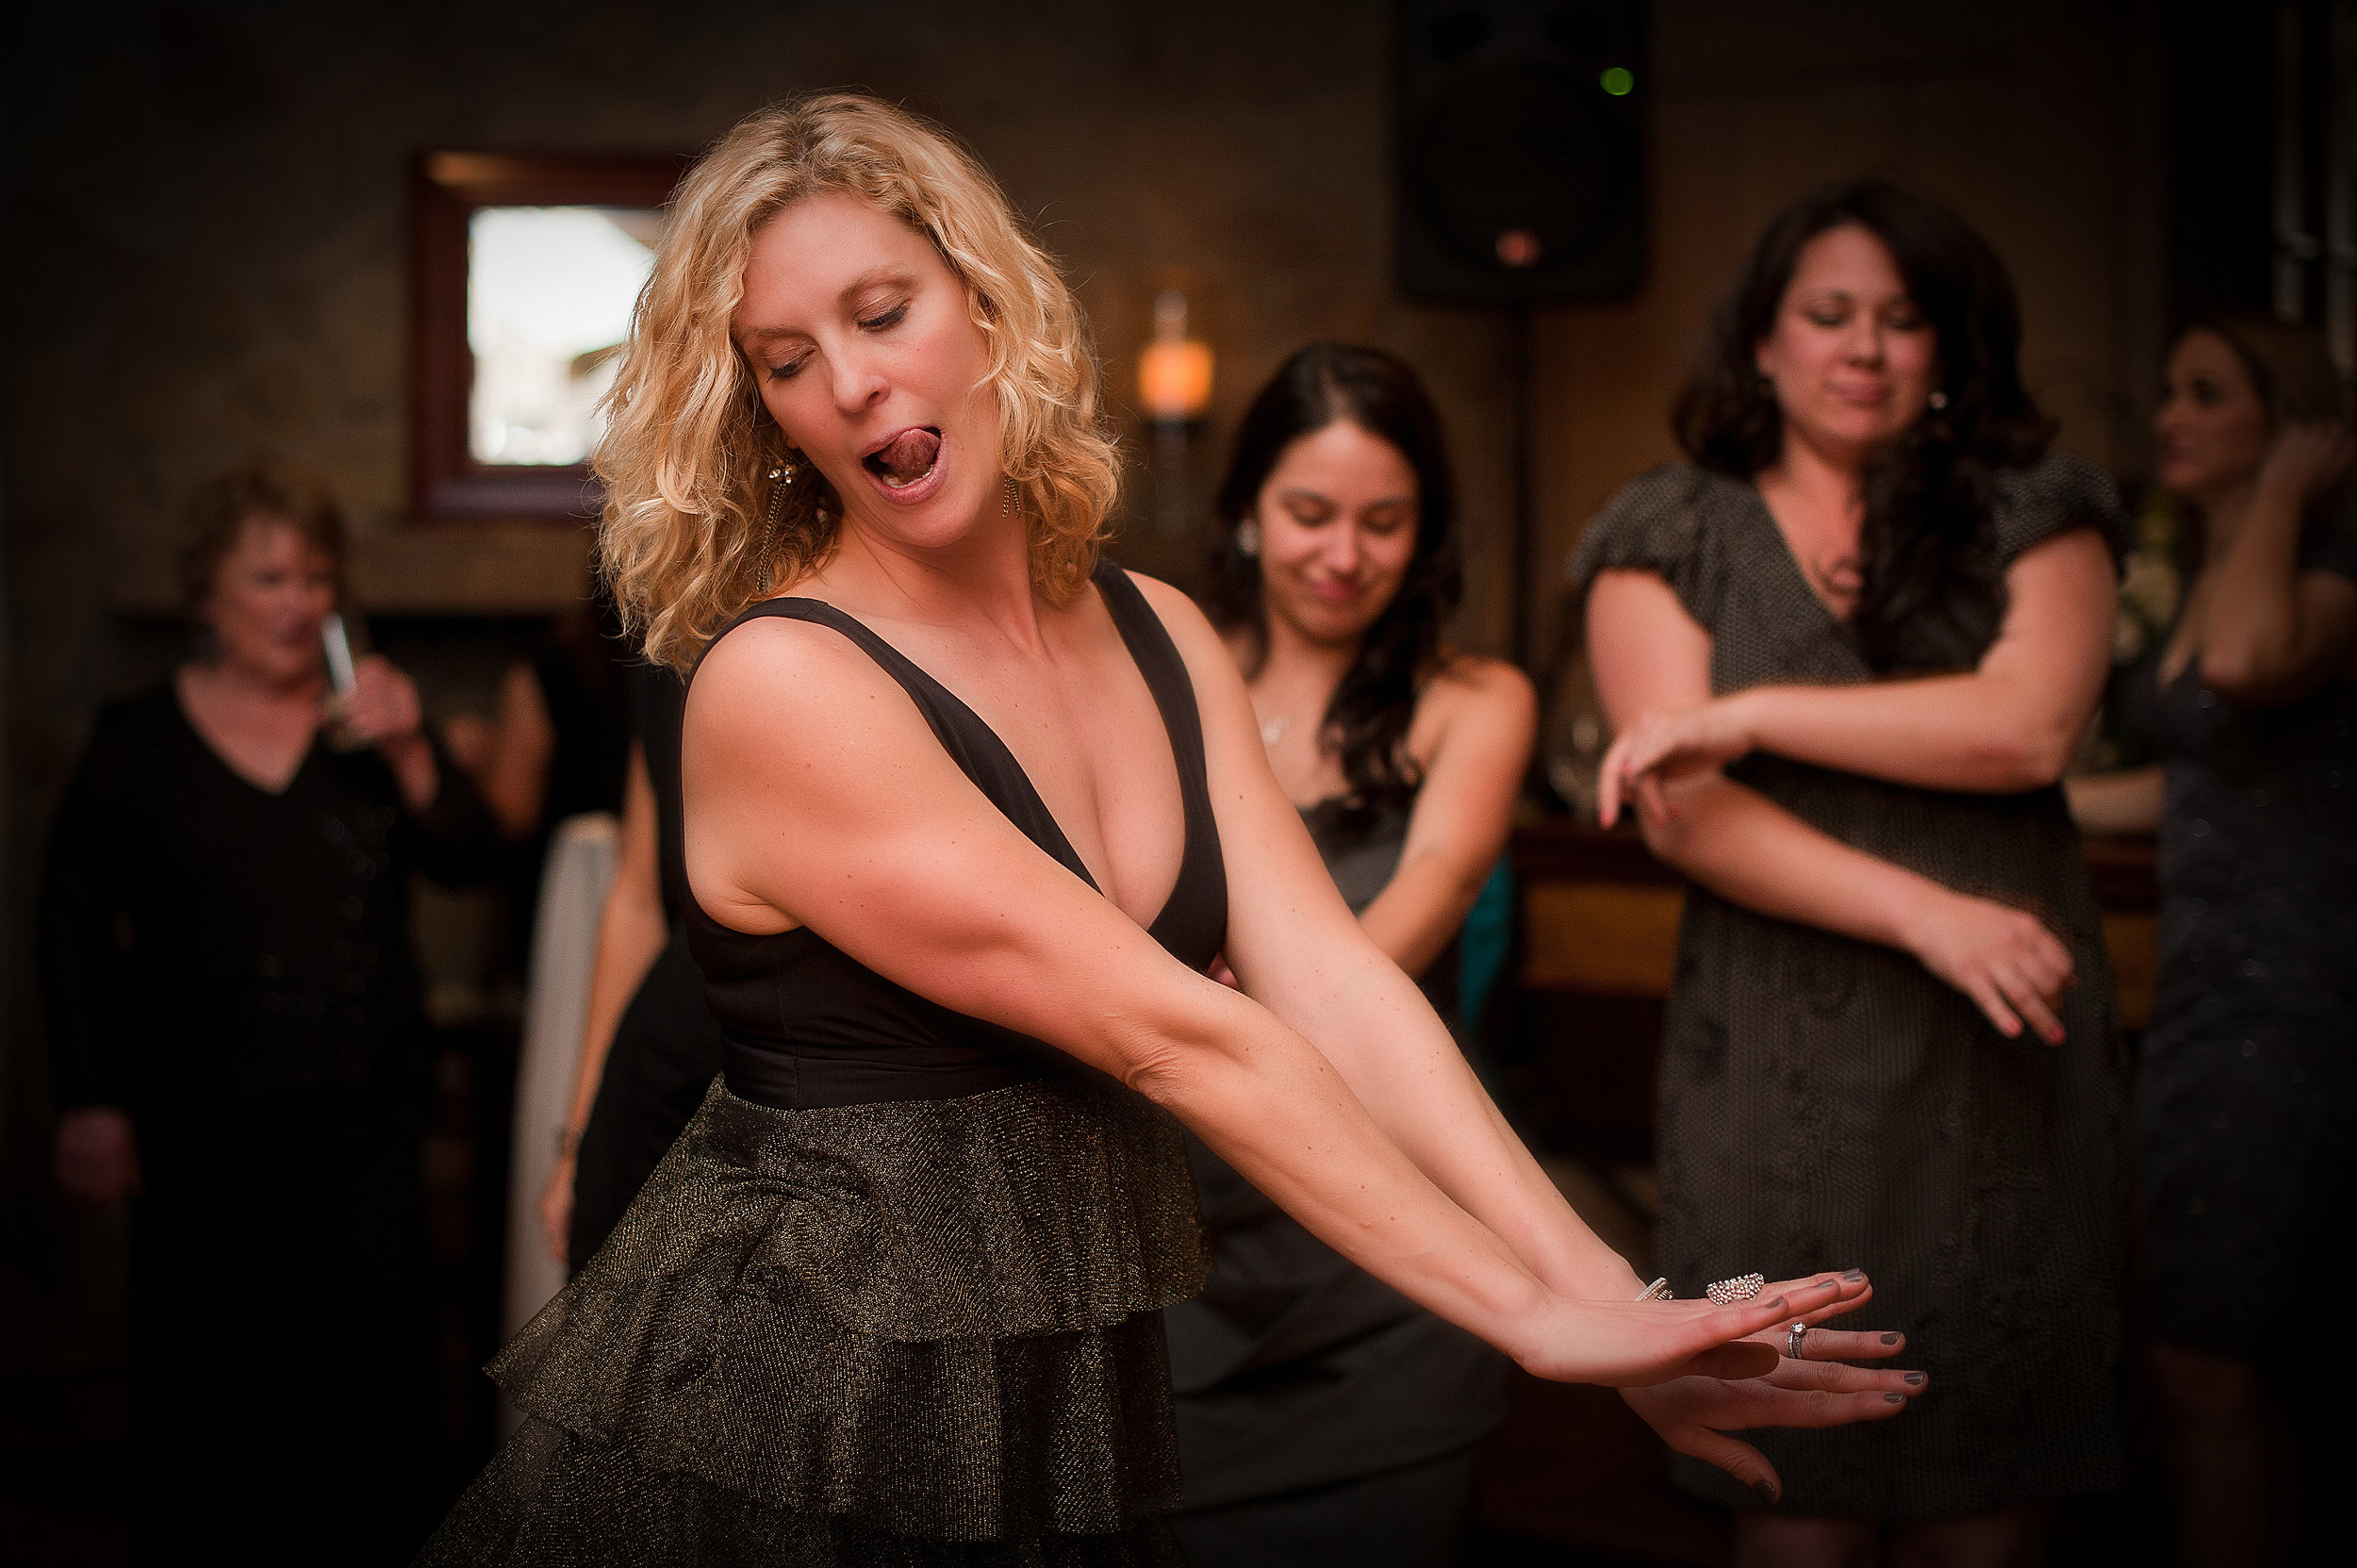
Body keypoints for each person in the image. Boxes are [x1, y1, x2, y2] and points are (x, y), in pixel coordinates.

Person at [419, 95, 1920, 1565]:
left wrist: (1614, 1293)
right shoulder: (781, 682)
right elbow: (1180, 1035)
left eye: (885, 313)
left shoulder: (1161, 631)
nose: (856, 385)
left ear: (990, 305)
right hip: (814, 1388)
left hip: (1066, 1365)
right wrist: (1536, 1319)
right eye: (791, 360)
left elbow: (1328, 980)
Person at [1574, 180, 2132, 1565]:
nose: (1865, 348)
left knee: (1989, 1475)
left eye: (1902, 319)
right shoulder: (1668, 527)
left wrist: (1753, 711)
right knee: (1793, 1493)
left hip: (2001, 1059)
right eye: (1829, 315)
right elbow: (1685, 815)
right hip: (1775, 1058)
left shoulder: (2036, 506)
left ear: (1949, 347)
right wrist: (1929, 915)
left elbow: (2028, 727)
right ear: (1763, 341)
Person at [41, 463, 500, 1563]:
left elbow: (473, 857)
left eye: (315, 577)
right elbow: (69, 932)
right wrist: (90, 1102)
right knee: (213, 1400)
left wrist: (409, 749)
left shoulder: (370, 725)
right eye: (268, 577)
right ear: (208, 595)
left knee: (373, 1402)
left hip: (366, 1122)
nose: (298, 601)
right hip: (198, 1129)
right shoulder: (136, 741)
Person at [1165, 343, 1530, 1565]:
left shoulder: (1474, 697)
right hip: (1184, 1242)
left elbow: (1432, 888)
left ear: (1424, 534)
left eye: (1384, 521)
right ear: (1248, 514)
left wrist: (1258, 1010)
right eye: (1309, 513)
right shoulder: (1163, 678)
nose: (1342, 554)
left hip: (1395, 1247)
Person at [2065, 312, 2356, 1567]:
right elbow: (2190, 785)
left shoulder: (2330, 562)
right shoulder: (2216, 556)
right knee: (2225, 1363)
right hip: (2202, 989)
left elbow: (2242, 663)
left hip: (2293, 996)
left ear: (2289, 418)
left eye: (2207, 393)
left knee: (2200, 1361)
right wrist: (2009, 792)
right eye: (2168, 389)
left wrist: (2291, 489)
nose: (2170, 413)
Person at [536, 661, 728, 1269]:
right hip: (659, 1076)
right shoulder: (671, 645)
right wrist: (578, 1139)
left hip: (796, 1096)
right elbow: (638, 898)